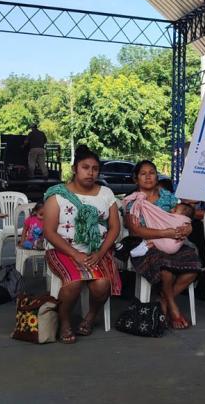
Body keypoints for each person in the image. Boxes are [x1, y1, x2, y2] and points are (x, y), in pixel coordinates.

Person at [44, 145, 121, 344]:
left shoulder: (106, 193)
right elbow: (49, 232)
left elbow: (115, 227)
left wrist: (100, 253)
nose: (90, 172)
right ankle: (65, 321)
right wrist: (75, 254)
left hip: (96, 251)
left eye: (95, 169)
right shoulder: (57, 194)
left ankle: (90, 317)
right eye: (85, 167)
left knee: (102, 285)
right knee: (74, 283)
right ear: (74, 169)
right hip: (62, 250)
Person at [126, 160, 201, 329]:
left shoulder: (167, 196)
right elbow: (135, 230)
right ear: (136, 179)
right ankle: (173, 307)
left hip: (173, 242)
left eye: (152, 173)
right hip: (147, 245)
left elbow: (184, 215)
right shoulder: (133, 201)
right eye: (143, 174)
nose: (148, 177)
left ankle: (163, 300)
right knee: (166, 270)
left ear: (157, 176)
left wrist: (188, 228)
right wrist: (164, 233)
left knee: (194, 266)